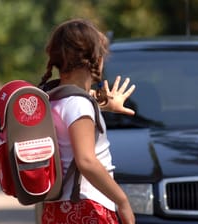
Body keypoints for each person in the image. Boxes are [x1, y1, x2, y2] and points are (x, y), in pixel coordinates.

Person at [38, 18, 136, 224]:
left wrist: (103, 104)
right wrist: (122, 201)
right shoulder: (79, 105)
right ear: (94, 59)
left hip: (58, 208)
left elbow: (71, 112)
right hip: (86, 207)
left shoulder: (51, 97)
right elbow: (86, 161)